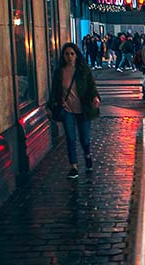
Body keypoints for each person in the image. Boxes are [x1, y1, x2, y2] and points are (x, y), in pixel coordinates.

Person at [47, 42, 100, 179]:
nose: (69, 57)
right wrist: (51, 105)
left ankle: (87, 155)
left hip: (83, 109)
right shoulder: (59, 72)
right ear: (63, 56)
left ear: (76, 55)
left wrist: (95, 97)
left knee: (85, 138)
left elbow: (91, 86)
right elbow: (54, 91)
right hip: (67, 110)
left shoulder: (83, 69)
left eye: (72, 54)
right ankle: (74, 166)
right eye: (66, 54)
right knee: (70, 138)